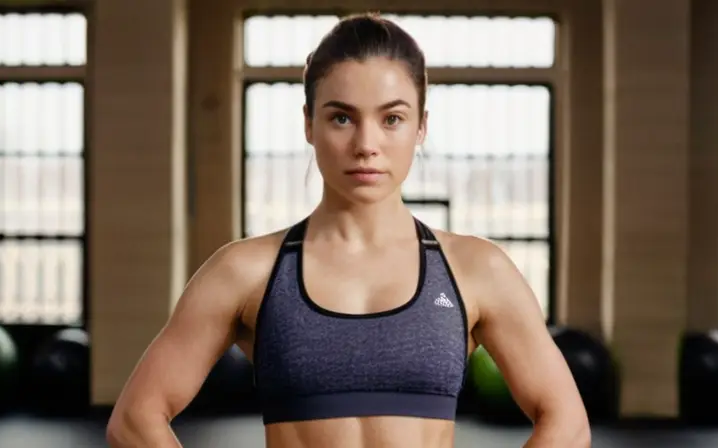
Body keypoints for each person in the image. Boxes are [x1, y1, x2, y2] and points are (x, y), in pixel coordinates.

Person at [106, 12, 590, 448]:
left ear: (421, 127)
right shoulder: (245, 271)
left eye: (392, 119)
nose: (366, 145)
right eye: (341, 117)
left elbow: (566, 424)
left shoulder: (475, 270)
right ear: (309, 125)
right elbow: (135, 419)